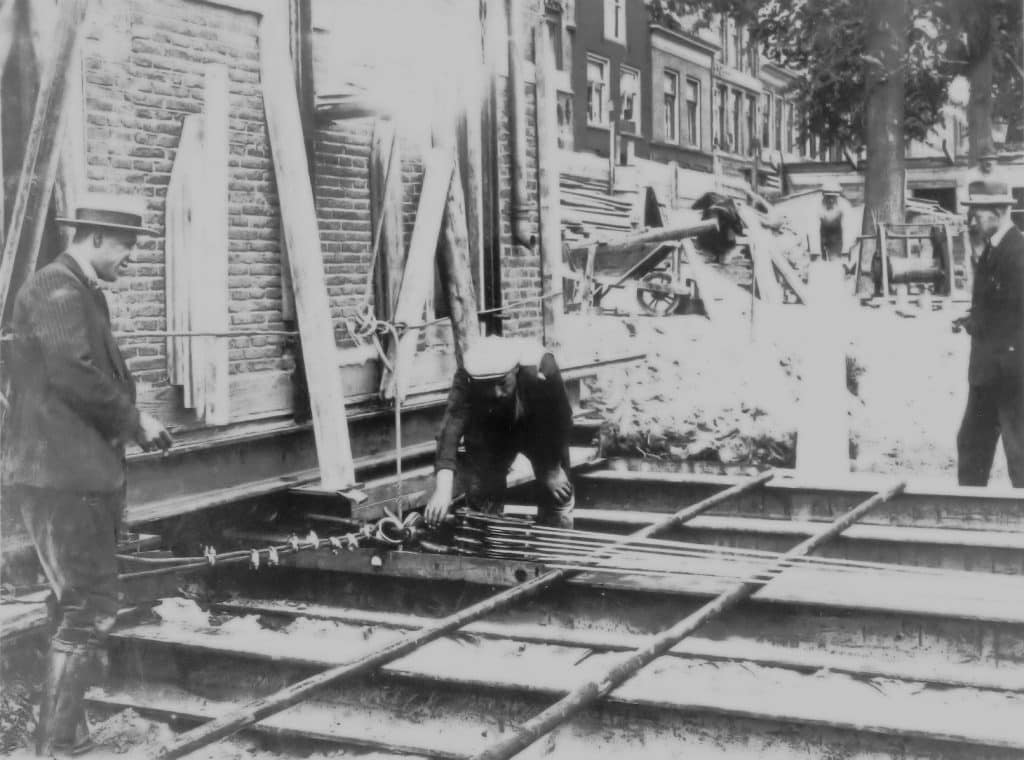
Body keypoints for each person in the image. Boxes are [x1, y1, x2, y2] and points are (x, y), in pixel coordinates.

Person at [2, 194, 172, 755]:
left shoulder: (77, 291)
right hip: (64, 478)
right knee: (89, 606)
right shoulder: (56, 288)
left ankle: (65, 733)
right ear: (95, 238)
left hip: (72, 475)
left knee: (71, 599)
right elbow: (73, 373)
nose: (134, 258)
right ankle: (53, 749)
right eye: (128, 246)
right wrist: (134, 421)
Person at [424, 337, 575, 529]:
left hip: (538, 429)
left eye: (502, 383)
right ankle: (487, 535)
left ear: (515, 371)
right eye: (487, 386)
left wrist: (551, 469)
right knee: (483, 492)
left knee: (558, 491)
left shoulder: (541, 366)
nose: (495, 393)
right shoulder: (467, 374)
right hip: (494, 431)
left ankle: (557, 539)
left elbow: (562, 420)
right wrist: (443, 489)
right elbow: (451, 426)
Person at [953, 179, 1024, 487]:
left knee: (1019, 452)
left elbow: (1014, 313)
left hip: (1010, 375)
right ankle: (970, 515)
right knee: (971, 445)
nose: (972, 219)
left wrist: (977, 323)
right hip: (986, 373)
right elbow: (995, 304)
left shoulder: (1017, 252)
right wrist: (972, 318)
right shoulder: (991, 251)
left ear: (998, 211)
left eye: (977, 213)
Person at [819, 180, 846, 261]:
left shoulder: (843, 207)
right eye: (828, 197)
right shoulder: (819, 207)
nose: (831, 200)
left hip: (836, 241)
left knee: (834, 260)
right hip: (824, 239)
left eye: (833, 197)